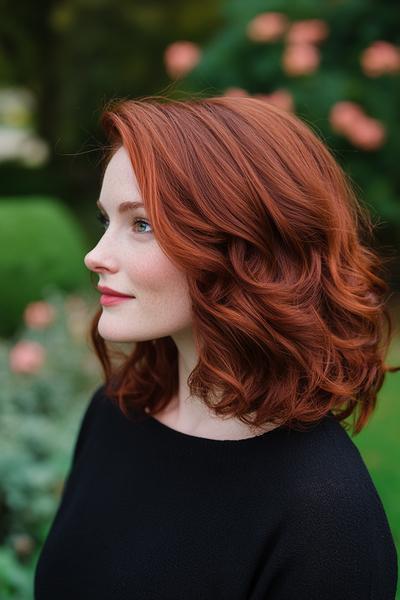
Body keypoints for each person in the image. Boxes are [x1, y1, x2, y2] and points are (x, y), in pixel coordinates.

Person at [34, 96, 399, 599]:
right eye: (106, 221)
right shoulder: (117, 413)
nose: (95, 255)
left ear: (246, 245)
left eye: (141, 224)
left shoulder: (324, 516)